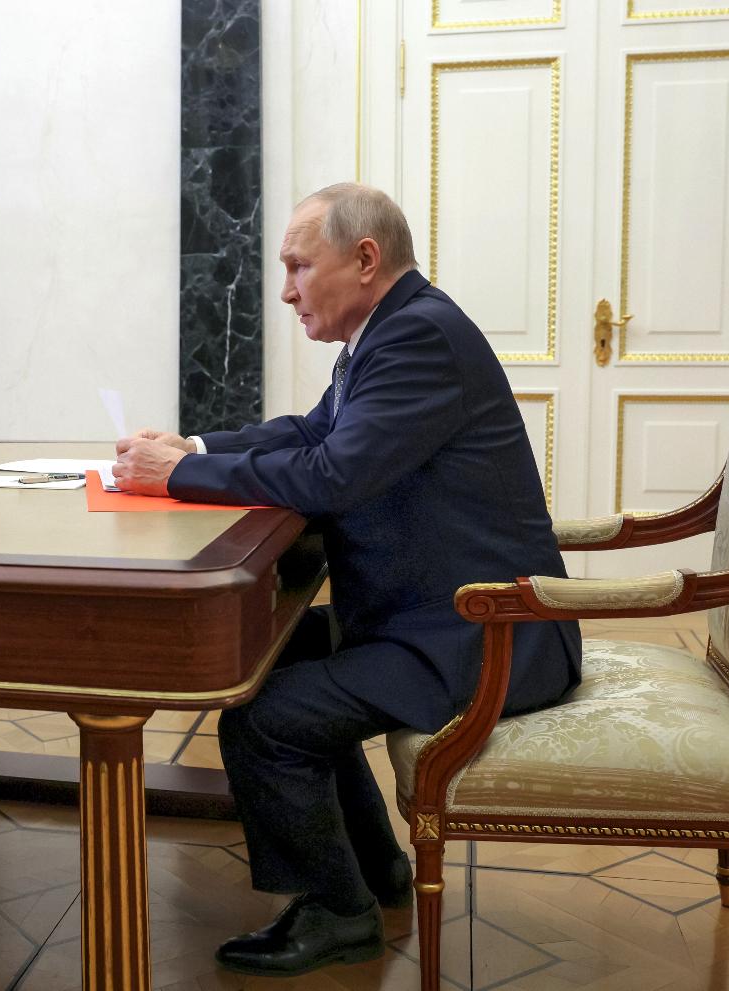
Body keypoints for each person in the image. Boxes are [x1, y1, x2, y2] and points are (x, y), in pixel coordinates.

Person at [113, 183, 581, 978]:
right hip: (442, 616)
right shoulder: (395, 329)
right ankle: (376, 872)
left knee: (266, 719)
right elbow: (313, 431)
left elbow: (332, 474)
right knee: (278, 664)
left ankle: (337, 910)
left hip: (481, 633)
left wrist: (182, 475)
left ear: (365, 259)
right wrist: (192, 444)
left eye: (298, 265)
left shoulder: (416, 338)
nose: (286, 289)